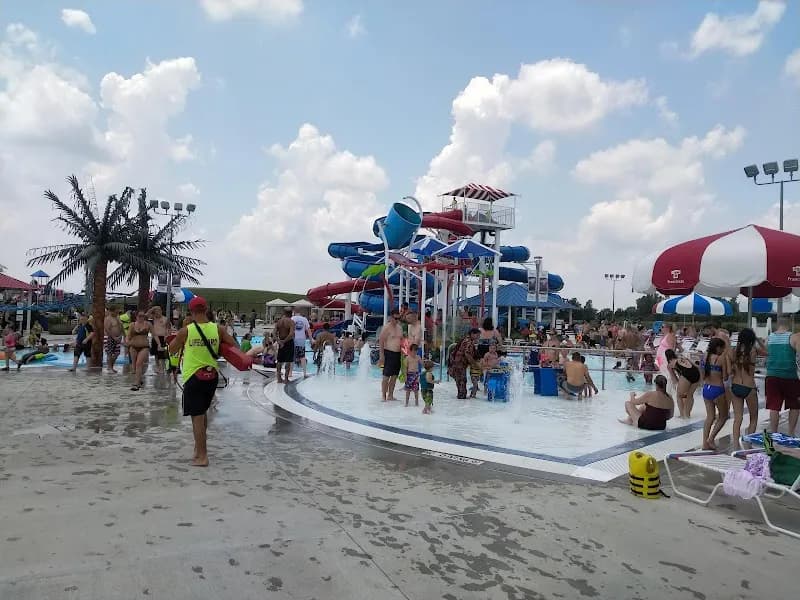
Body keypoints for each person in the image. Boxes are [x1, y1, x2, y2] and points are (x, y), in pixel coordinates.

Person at [168, 296, 237, 467]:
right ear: (206, 309)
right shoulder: (218, 329)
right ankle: (198, 450)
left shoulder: (187, 331)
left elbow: (171, 349)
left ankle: (202, 456)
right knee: (202, 414)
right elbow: (233, 345)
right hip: (211, 376)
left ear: (191, 312)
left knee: (196, 418)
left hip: (193, 377)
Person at [765, 318, 800, 436]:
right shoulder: (793, 337)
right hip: (789, 375)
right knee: (794, 405)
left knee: (774, 407)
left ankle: (774, 433)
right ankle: (791, 433)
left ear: (777, 325)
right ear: (788, 325)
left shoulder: (769, 338)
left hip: (771, 375)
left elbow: (766, 353)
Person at [731, 328, 763, 446]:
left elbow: (731, 369)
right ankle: (748, 445)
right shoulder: (753, 351)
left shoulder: (735, 350)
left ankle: (735, 445)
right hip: (749, 387)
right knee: (753, 418)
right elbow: (767, 352)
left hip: (735, 386)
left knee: (737, 418)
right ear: (751, 339)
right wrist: (758, 340)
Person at [701, 337, 728, 450]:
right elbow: (725, 377)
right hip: (717, 390)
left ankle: (704, 443)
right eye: (722, 348)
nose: (722, 351)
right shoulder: (721, 359)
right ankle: (711, 439)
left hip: (706, 389)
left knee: (710, 417)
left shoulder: (704, 356)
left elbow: (702, 375)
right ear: (718, 347)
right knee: (723, 416)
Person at [664, 349, 700, 418]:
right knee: (690, 395)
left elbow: (674, 378)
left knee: (679, 396)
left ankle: (682, 415)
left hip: (687, 374)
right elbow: (695, 366)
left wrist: (678, 386)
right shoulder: (681, 357)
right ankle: (687, 414)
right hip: (696, 373)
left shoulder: (670, 365)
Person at [379, 310, 404, 401]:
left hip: (397, 354)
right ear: (391, 317)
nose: (397, 320)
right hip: (388, 353)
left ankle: (390, 395)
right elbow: (381, 341)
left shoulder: (400, 328)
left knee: (394, 376)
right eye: (395, 318)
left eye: (398, 318)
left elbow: (402, 341)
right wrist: (382, 355)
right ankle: (383, 395)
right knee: (386, 376)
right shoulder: (386, 328)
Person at [449, 328, 480, 399]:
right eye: (477, 335)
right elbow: (467, 354)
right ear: (472, 334)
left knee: (458, 379)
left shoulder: (465, 339)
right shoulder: (469, 342)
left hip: (456, 361)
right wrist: (474, 364)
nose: (478, 337)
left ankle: (460, 395)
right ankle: (462, 396)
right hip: (460, 363)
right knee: (462, 379)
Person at [127, 312, 152, 390]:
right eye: (139, 316)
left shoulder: (148, 324)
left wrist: (159, 344)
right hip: (133, 346)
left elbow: (154, 334)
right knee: (134, 366)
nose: (141, 317)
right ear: (136, 316)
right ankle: (139, 379)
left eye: (143, 316)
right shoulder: (132, 325)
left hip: (144, 346)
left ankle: (136, 383)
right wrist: (127, 341)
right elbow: (128, 335)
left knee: (139, 364)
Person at [274, 308, 295, 384]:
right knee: (288, 360)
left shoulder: (279, 322)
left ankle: (279, 378)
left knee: (279, 360)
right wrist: (284, 341)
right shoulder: (291, 322)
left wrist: (279, 341)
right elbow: (291, 334)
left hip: (281, 342)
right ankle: (286, 379)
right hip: (288, 342)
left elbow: (274, 333)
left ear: (284, 313)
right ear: (291, 313)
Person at [147, 306, 168, 374]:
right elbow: (145, 316)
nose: (157, 313)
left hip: (162, 337)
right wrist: (152, 308)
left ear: (161, 311)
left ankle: (162, 368)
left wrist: (166, 336)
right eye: (155, 312)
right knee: (155, 354)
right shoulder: (154, 318)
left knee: (161, 354)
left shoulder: (165, 319)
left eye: (158, 311)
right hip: (155, 337)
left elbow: (168, 329)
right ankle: (158, 367)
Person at [291, 309, 312, 377]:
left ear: (294, 312)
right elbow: (308, 330)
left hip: (293, 339)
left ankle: (290, 373)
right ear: (300, 312)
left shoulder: (292, 318)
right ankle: (304, 373)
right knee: (302, 357)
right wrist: (311, 340)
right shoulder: (304, 319)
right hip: (302, 340)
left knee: (292, 357)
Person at [104, 308, 123, 374]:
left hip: (118, 337)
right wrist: (113, 337)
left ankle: (111, 367)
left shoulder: (117, 318)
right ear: (111, 312)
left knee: (117, 353)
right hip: (109, 337)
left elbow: (121, 327)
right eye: (115, 312)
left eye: (117, 312)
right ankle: (110, 368)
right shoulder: (108, 319)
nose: (116, 313)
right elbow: (107, 329)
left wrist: (122, 336)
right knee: (109, 353)